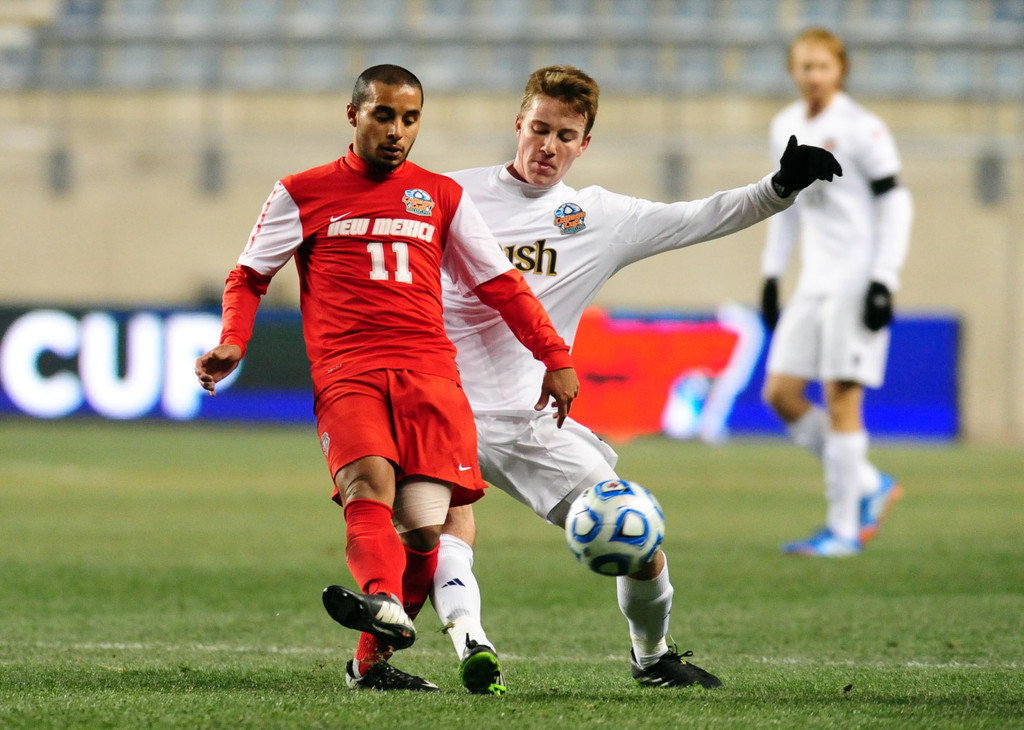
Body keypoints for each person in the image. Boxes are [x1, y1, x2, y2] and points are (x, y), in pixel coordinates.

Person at [427, 65, 842, 695]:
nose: (548, 146)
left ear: (584, 143)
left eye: (565, 135)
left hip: (530, 419)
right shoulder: (451, 196)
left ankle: (652, 659)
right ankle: (468, 644)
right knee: (443, 525)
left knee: (638, 535)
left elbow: (703, 216)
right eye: (539, 128)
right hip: (441, 404)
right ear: (518, 124)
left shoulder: (598, 217)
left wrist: (780, 186)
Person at [194, 64, 580, 692]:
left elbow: (502, 285)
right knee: (367, 485)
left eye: (409, 118)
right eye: (383, 115)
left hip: (430, 374)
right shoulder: (301, 192)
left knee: (426, 532)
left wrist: (554, 356)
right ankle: (382, 595)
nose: (397, 130)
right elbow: (249, 276)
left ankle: (369, 663)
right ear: (354, 115)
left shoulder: (440, 196)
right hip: (349, 372)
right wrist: (234, 339)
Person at [758, 28, 913, 557]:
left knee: (841, 398)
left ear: (840, 70)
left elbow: (896, 202)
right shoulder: (784, 124)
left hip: (855, 278)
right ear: (793, 70)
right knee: (780, 393)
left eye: (822, 66)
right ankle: (870, 484)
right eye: (805, 66)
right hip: (813, 280)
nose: (813, 75)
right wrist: (771, 275)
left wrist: (884, 279)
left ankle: (843, 530)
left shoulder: (862, 127)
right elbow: (783, 204)